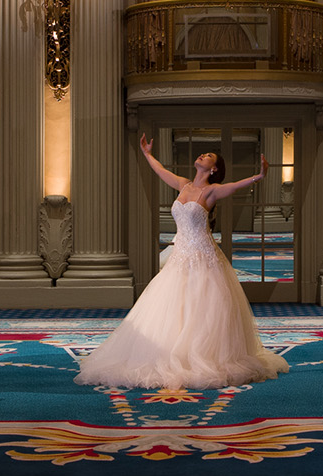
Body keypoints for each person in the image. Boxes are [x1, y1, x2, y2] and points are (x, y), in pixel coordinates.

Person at [74, 134, 290, 389]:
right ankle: (169, 353)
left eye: (208, 156)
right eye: (202, 154)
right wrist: (146, 154)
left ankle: (201, 357)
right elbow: (161, 171)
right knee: (170, 309)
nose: (201, 155)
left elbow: (233, 186)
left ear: (214, 168)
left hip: (204, 259)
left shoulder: (211, 191)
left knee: (203, 310)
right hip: (179, 258)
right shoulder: (184, 185)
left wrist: (260, 177)